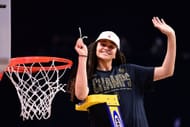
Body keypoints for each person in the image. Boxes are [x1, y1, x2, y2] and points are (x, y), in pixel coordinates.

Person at [67, 16, 176, 127]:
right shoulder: (88, 76)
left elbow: (167, 71)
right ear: (95, 47)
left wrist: (171, 35)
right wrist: (82, 56)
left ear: (116, 54)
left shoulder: (131, 71)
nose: (106, 48)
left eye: (111, 46)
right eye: (103, 44)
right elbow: (80, 95)